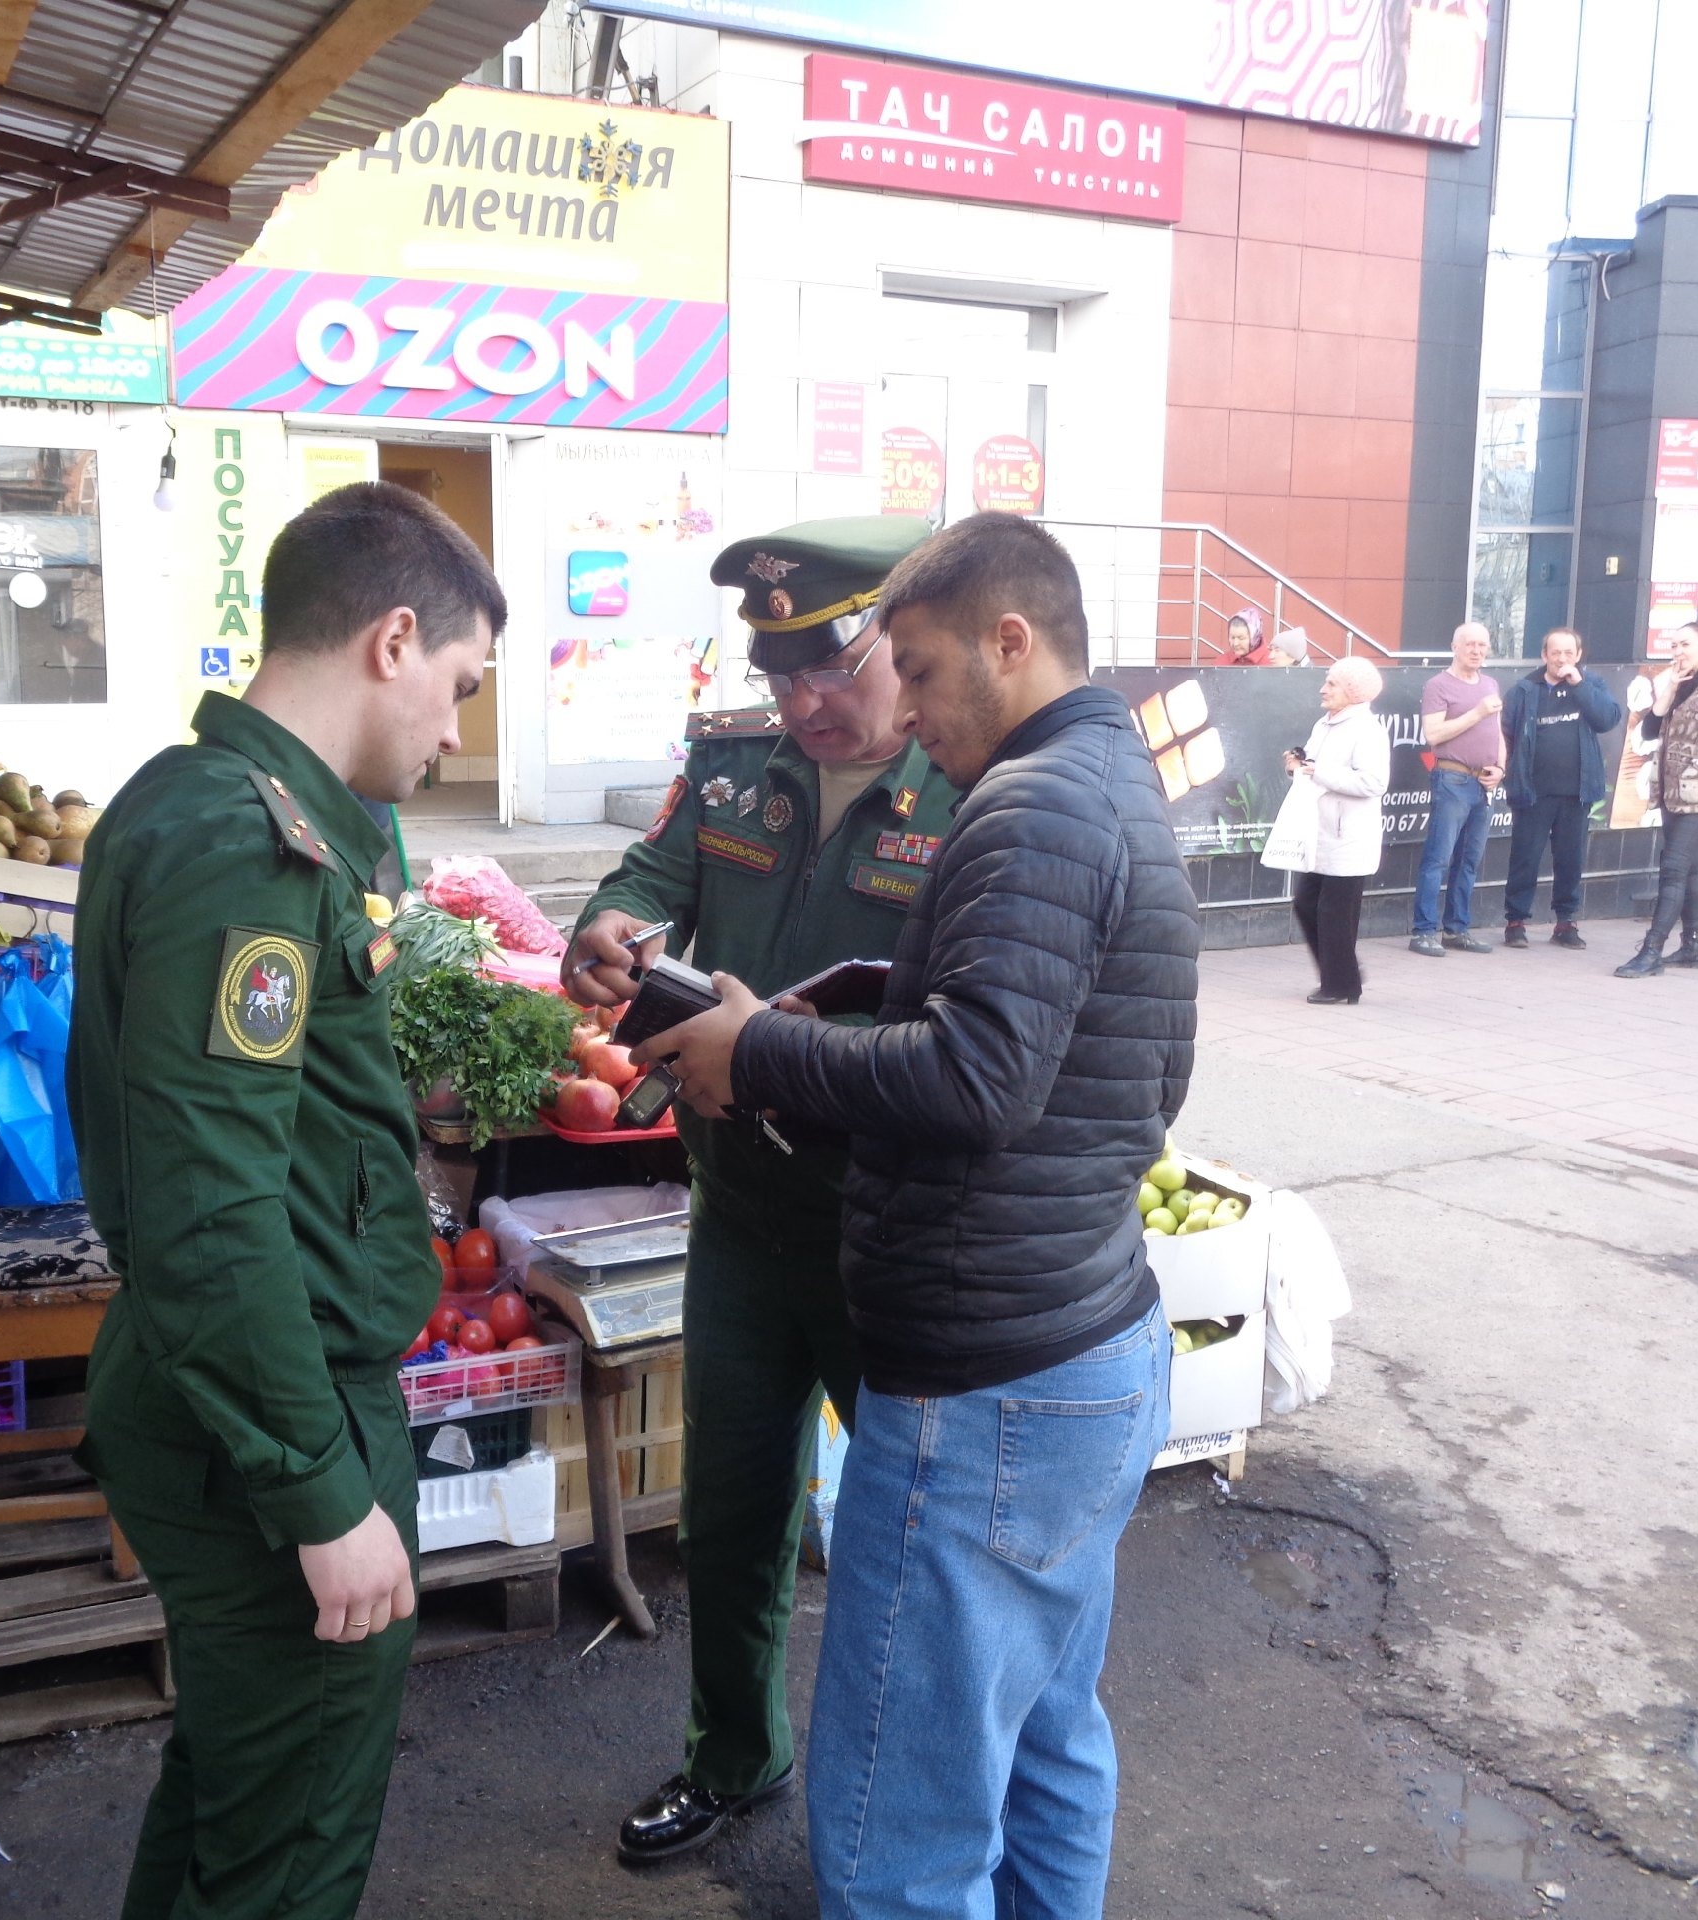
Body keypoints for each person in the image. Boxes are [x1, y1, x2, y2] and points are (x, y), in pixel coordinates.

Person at [631, 513, 1200, 1920]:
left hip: (988, 1379)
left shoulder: (1029, 802)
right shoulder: (1104, 779)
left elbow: (982, 1074)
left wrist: (762, 1052)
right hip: (1077, 1334)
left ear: (1013, 643)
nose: (917, 710)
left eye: (926, 672)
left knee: (902, 1830)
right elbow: (1114, 1064)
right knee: (1049, 1739)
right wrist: (878, 996)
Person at [65, 483, 503, 1920]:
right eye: (457, 689)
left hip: (250, 1391)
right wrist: (322, 1494)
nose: (454, 736)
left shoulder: (235, 808)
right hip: (270, 1412)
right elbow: (209, 1211)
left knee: (239, 1796)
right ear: (391, 641)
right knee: (291, 1841)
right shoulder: (250, 845)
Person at [564, 516, 963, 1865]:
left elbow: (976, 1043)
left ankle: (913, 1810)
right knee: (731, 1509)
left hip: (890, 1227)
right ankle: (734, 1757)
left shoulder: (976, 795)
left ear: (905, 647)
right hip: (739, 1213)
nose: (803, 705)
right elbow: (643, 878)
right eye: (780, 676)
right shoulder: (737, 767)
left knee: (919, 1551)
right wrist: (605, 930)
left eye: (833, 671)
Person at [1616, 621, 1698, 978]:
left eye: (1685, 644)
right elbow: (1648, 730)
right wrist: (1669, 688)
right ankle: (1694, 947)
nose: (1677, 652)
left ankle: (1651, 949)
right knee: (1688, 868)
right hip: (1673, 792)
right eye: (1674, 645)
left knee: (1674, 866)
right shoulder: (1680, 683)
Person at [1498, 626, 1622, 950]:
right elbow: (1506, 735)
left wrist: (1578, 684)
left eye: (1569, 653)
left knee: (1571, 860)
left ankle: (1566, 923)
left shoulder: (1591, 684)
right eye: (1556, 653)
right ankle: (1515, 922)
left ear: (1578, 656)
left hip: (1576, 792)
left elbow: (1607, 719)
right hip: (1533, 791)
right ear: (1544, 655)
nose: (1562, 659)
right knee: (1525, 857)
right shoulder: (1525, 689)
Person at [1284, 655, 1390, 1004]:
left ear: (1352, 692)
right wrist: (1296, 765)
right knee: (1306, 905)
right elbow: (1313, 766)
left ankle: (1340, 985)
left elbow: (1374, 782)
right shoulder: (1324, 724)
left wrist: (1320, 772)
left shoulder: (1367, 730)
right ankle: (1344, 974)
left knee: (1334, 913)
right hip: (1322, 834)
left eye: (1331, 683)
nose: (1323, 688)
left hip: (1349, 838)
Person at [1408, 621, 1505, 955]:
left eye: (1483, 645)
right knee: (1439, 857)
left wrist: (1501, 768)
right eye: (1470, 645)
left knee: (1469, 860)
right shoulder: (1438, 685)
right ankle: (1423, 931)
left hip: (1484, 782)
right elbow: (1434, 735)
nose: (1477, 651)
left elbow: (1498, 734)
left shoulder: (1490, 682)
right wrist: (1476, 712)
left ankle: (1456, 929)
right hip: (1452, 778)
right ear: (1455, 647)